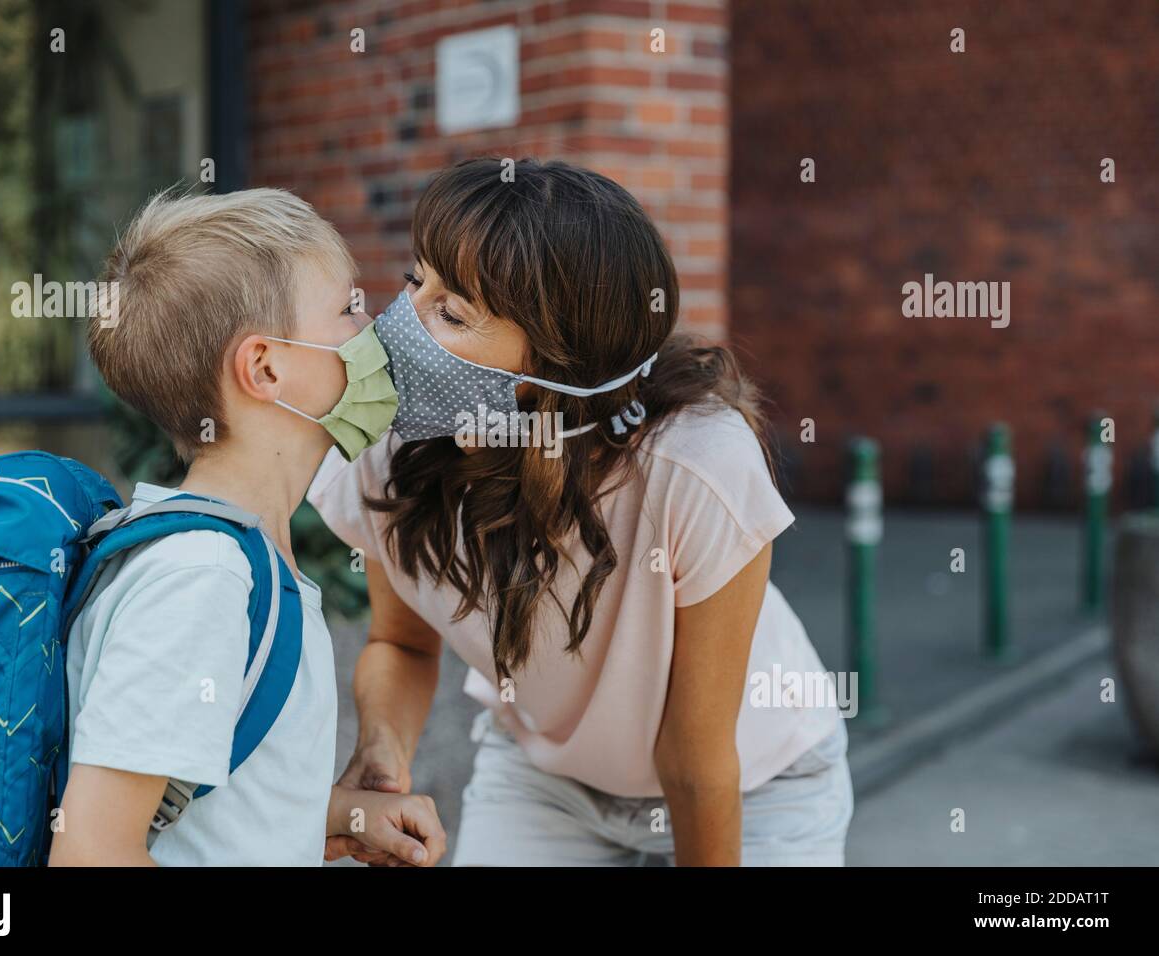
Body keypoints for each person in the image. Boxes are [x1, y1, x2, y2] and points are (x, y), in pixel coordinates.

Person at [311, 158, 853, 866]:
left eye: (451, 312)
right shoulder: (391, 451)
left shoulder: (696, 468)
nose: (399, 325)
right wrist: (381, 754)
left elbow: (696, 762)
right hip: (550, 777)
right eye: (417, 281)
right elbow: (403, 644)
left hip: (759, 782)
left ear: (560, 365)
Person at [51, 188, 444, 866]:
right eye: (348, 308)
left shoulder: (241, 561)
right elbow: (92, 852)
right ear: (265, 367)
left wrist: (348, 813)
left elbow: (213, 819)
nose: (373, 326)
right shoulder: (200, 580)